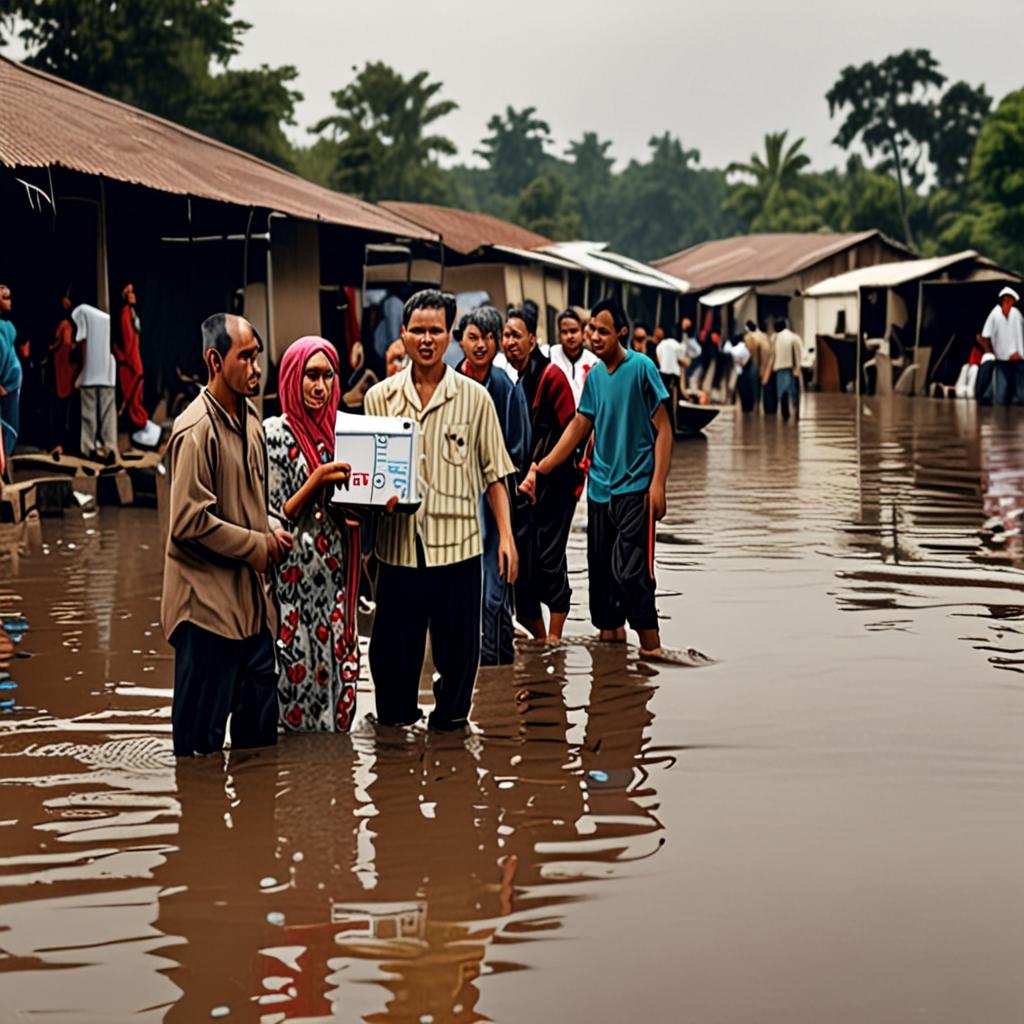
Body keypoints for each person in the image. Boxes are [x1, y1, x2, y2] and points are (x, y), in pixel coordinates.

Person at [364, 289, 517, 731]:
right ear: (403, 334)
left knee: (458, 663)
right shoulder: (379, 399)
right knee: (392, 662)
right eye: (417, 331)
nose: (426, 339)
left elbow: (494, 476)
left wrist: (506, 537)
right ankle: (395, 746)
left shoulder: (475, 399)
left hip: (458, 552)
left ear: (450, 335)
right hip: (398, 552)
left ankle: (450, 750)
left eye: (435, 330)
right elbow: (365, 478)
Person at [161, 313, 293, 757]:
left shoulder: (252, 419)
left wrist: (271, 527)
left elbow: (250, 504)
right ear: (215, 360)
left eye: (258, 356)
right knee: (199, 758)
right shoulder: (195, 431)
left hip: (253, 613)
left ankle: (252, 830)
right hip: (207, 615)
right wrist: (259, 546)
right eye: (246, 358)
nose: (257, 368)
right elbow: (188, 522)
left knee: (260, 751)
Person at [519, 297, 673, 658]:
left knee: (633, 574)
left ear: (621, 332)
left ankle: (651, 653)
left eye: (603, 331)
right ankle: (611, 673)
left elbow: (664, 429)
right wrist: (543, 467)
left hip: (636, 489)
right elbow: (578, 426)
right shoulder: (594, 378)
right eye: (592, 330)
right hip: (599, 490)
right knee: (602, 583)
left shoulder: (642, 368)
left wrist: (659, 484)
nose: (594, 336)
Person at [265, 337, 360, 733]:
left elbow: (352, 509)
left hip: (337, 586)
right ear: (292, 378)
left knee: (338, 693)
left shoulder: (345, 434)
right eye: (310, 376)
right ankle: (293, 787)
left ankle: (334, 785)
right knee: (294, 690)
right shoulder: (273, 434)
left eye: (327, 376)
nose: (320, 387)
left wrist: (366, 508)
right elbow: (274, 514)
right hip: (293, 589)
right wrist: (315, 481)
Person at [458, 306, 531, 665]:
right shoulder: (451, 382)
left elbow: (517, 447)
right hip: (457, 501)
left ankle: (492, 666)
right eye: (473, 337)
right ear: (460, 341)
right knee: (467, 587)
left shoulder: (505, 387)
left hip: (495, 497)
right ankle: (498, 666)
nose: (481, 344)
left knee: (494, 586)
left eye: (488, 337)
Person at [502, 304, 578, 642]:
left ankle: (555, 639)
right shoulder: (516, 381)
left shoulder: (552, 376)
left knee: (549, 561)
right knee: (523, 572)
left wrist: (542, 469)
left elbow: (574, 432)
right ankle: (540, 641)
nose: (510, 342)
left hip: (556, 486)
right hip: (523, 489)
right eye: (506, 335)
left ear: (533, 339)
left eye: (517, 335)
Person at [115, 283, 161, 448]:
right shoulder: (126, 314)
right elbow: (128, 342)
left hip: (133, 364)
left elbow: (131, 344)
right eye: (130, 292)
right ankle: (141, 434)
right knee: (133, 400)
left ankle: (144, 434)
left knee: (134, 399)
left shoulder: (130, 313)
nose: (133, 295)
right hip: (132, 364)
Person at [72, 302, 119, 460]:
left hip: (92, 373)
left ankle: (89, 448)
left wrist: (81, 374)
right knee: (107, 412)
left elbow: (83, 340)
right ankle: (109, 447)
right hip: (107, 372)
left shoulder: (80, 312)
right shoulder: (104, 319)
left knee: (89, 413)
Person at [979, 286, 1024, 406]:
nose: (1008, 303)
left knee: (1020, 395)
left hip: (1018, 360)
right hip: (1002, 361)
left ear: (1013, 302)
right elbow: (984, 336)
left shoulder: (1016, 315)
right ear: (1002, 301)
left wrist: (1019, 353)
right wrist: (990, 352)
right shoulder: (995, 314)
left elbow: (1020, 335)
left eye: (1011, 300)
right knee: (1000, 395)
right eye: (1006, 300)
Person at [548, 308, 599, 405]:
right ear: (559, 335)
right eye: (564, 332)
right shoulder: (550, 355)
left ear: (583, 333)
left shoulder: (593, 361)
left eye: (574, 331)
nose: (569, 336)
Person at [0, 285, 22, 457]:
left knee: (9, 431)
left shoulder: (7, 328)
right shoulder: (3, 330)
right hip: (5, 389)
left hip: (10, 388)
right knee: (7, 431)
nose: (10, 301)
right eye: (5, 297)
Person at [771, 317, 803, 421]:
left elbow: (772, 355)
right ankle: (795, 413)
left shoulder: (774, 338)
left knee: (782, 393)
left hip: (779, 369)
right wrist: (798, 368)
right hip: (791, 368)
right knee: (794, 392)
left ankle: (785, 415)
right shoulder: (794, 337)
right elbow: (799, 353)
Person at [655, 326, 685, 430]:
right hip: (673, 375)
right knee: (674, 401)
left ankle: (666, 425)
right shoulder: (675, 344)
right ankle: (674, 426)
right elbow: (682, 359)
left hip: (663, 375)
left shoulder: (659, 346)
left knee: (665, 400)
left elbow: (659, 361)